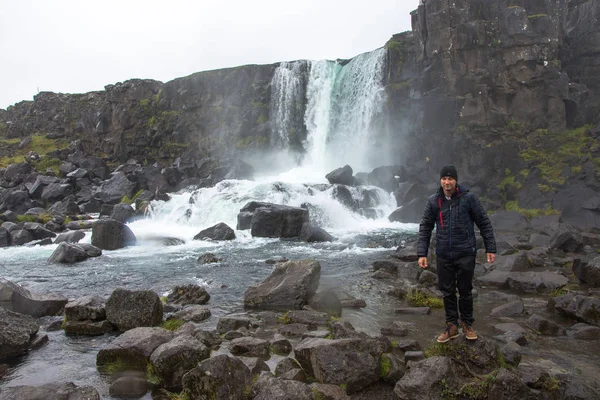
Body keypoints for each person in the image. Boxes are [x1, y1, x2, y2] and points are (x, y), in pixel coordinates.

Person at [417, 165, 496, 343]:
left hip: (465, 252)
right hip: (444, 253)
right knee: (447, 291)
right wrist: (422, 253)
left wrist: (490, 248)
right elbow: (425, 228)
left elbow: (484, 222)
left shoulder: (468, 198)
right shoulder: (433, 201)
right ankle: (452, 326)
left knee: (466, 290)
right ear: (440, 180)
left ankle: (467, 324)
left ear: (456, 180)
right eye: (444, 178)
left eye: (450, 179)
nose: (447, 182)